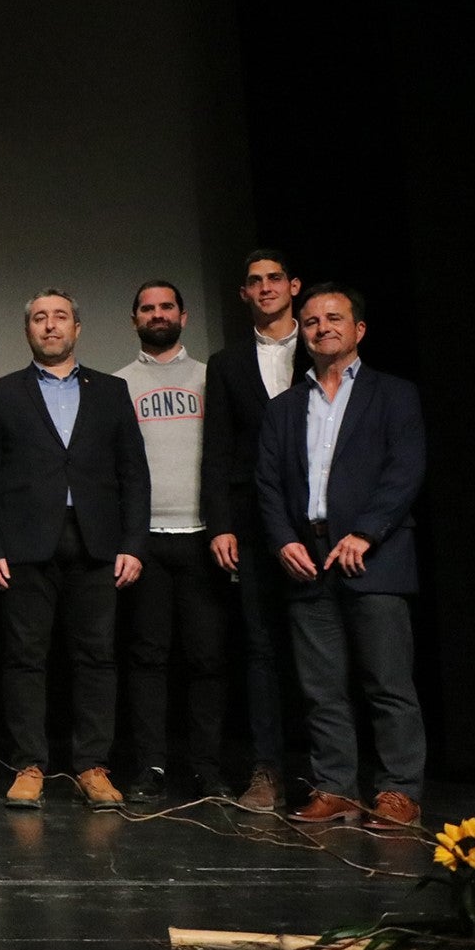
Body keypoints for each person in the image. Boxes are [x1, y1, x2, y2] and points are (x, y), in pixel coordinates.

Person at [256, 284, 427, 830]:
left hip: (374, 556)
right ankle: (335, 788)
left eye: (334, 318)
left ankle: (398, 791)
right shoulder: (284, 407)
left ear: (359, 330)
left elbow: (405, 470)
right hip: (306, 555)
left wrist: (367, 533)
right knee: (321, 686)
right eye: (310, 321)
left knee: (387, 682)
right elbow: (267, 484)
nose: (322, 327)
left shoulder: (394, 394)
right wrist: (284, 540)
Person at [0, 288, 149, 810]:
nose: (50, 326)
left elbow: (133, 474)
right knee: (26, 658)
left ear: (78, 328)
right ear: (28, 330)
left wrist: (134, 544)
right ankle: (29, 763)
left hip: (97, 542)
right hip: (25, 546)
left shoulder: (111, 391)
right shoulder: (1, 392)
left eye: (60, 318)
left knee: (96, 657)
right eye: (39, 319)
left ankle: (92, 765)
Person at [116, 281, 231, 803]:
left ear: (184, 317)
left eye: (166, 307)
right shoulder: (117, 386)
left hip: (204, 538)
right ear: (134, 318)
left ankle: (206, 766)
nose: (157, 314)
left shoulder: (213, 380)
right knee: (147, 659)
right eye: (147, 308)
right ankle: (152, 766)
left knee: (208, 659)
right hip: (146, 541)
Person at [201, 249, 305, 812]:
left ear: (294, 285)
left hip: (319, 523)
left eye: (273, 279)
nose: (264, 288)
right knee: (262, 650)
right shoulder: (228, 363)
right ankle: (267, 770)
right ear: (243, 294)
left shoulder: (321, 349)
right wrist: (221, 523)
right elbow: (217, 449)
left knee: (323, 651)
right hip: (253, 525)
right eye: (253, 283)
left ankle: (335, 773)